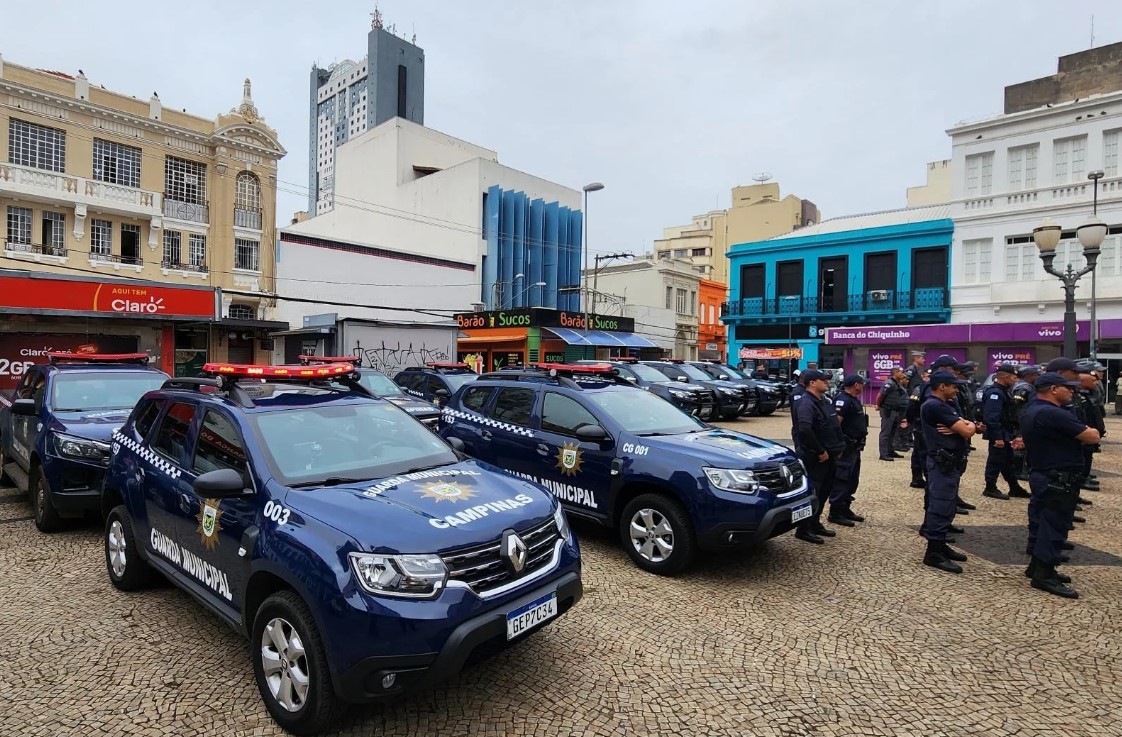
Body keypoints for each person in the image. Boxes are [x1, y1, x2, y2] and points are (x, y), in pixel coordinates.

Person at [1021, 372, 1100, 599]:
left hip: (1043, 473)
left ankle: (1037, 566)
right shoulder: (1053, 413)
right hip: (1057, 477)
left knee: (1041, 521)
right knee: (1054, 525)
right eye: (1068, 387)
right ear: (1054, 389)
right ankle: (1045, 574)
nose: (1072, 391)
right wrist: (1087, 430)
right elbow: (1092, 436)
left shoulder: (1032, 409)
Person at [919, 371, 977, 573]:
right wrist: (964, 427)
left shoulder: (947, 404)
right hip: (942, 462)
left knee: (948, 505)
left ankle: (941, 545)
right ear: (942, 386)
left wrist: (965, 426)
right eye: (953, 385)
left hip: (951, 463)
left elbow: (972, 426)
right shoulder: (934, 405)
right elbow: (969, 430)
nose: (956, 389)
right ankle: (933, 552)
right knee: (940, 506)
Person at [791, 369, 847, 544]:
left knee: (824, 491)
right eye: (823, 380)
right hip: (816, 457)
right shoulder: (806, 403)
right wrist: (820, 451)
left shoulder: (823, 401)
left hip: (829, 456)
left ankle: (815, 522)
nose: (827, 382)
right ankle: (804, 528)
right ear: (812, 383)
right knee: (813, 492)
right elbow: (805, 430)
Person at [982, 364, 1029, 500]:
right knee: (995, 461)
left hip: (1006, 432)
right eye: (1014, 377)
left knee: (1007, 462)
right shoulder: (995, 393)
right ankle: (990, 487)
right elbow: (991, 417)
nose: (1016, 380)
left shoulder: (1004, 391)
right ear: (1005, 376)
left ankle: (1014, 487)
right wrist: (997, 437)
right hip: (999, 433)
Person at [829, 375, 868, 527]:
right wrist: (838, 445)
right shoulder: (843, 400)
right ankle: (835, 512)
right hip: (846, 447)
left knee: (852, 479)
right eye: (862, 384)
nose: (863, 386)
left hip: (855, 447)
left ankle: (845, 508)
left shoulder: (853, 400)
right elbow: (836, 425)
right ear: (856, 384)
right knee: (842, 478)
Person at [1010, 365, 1040, 481]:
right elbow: (1017, 404)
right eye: (1035, 375)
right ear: (1029, 376)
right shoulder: (1023, 387)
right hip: (1021, 420)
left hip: (1025, 418)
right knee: (1019, 446)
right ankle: (1018, 471)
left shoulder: (1029, 386)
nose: (1037, 377)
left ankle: (1023, 469)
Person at [876, 366, 909, 461]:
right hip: (888, 411)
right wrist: (878, 405)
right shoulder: (889, 383)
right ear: (895, 373)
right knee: (886, 432)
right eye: (901, 373)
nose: (903, 375)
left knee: (892, 432)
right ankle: (883, 454)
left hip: (896, 411)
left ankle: (890, 450)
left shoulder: (898, 383)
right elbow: (880, 396)